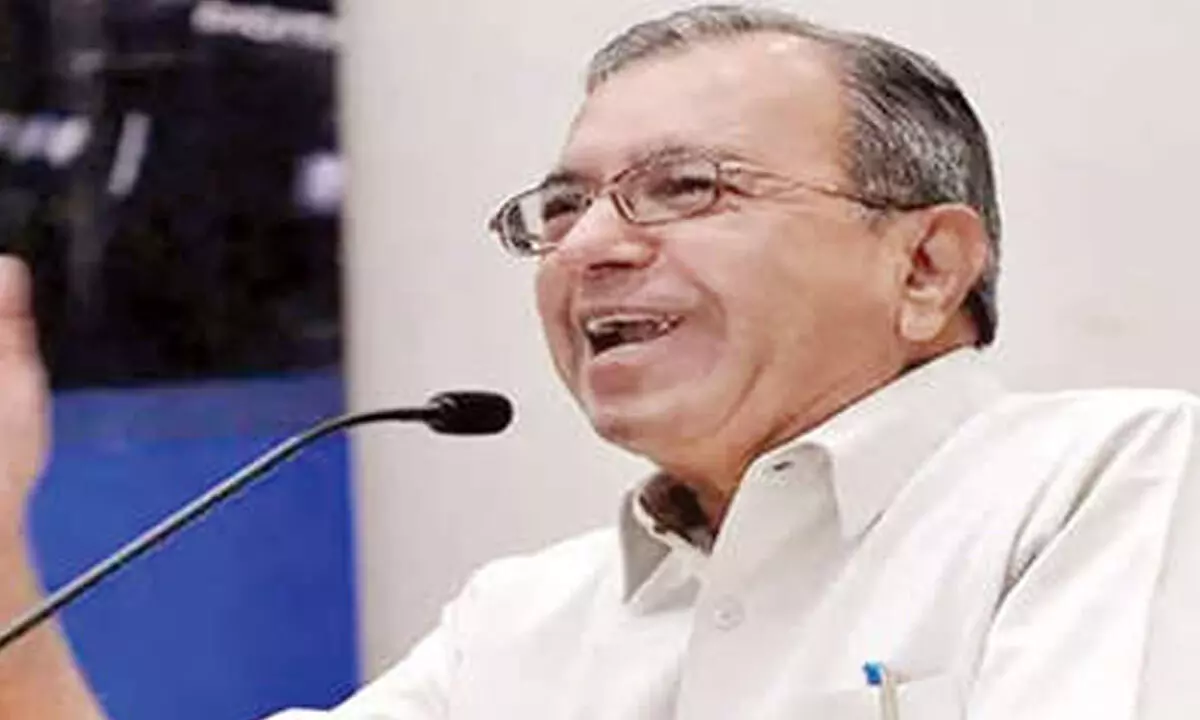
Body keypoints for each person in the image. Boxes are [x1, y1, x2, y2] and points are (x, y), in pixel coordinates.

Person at [3, 4, 1200, 718]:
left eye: (687, 188)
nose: (589, 248)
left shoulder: (1115, 482)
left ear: (927, 266)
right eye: (564, 208)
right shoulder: (523, 623)